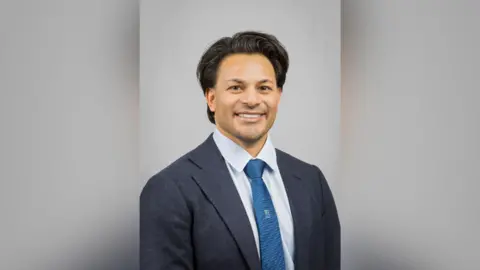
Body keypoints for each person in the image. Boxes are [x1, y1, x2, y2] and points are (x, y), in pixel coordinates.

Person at [140, 31, 340, 270]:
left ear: (278, 95)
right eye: (236, 87)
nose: (252, 100)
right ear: (211, 98)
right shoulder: (169, 189)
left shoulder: (311, 181)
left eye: (264, 88)